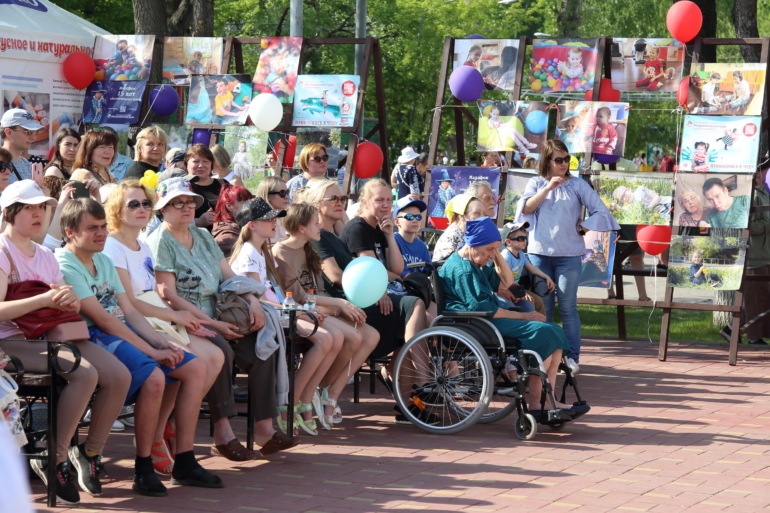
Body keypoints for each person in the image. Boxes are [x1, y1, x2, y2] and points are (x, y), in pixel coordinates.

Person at [56, 198, 221, 496]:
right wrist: (154, 352)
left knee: (195, 366)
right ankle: (143, 467)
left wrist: (162, 342)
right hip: (92, 336)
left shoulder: (102, 259)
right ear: (70, 232)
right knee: (155, 376)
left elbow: (129, 312)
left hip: (123, 330)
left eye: (103, 226)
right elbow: (104, 320)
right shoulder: (65, 263)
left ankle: (184, 460)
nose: (101, 233)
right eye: (91, 228)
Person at [0, 181, 130, 505]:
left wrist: (69, 300)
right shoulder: (2, 252)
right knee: (84, 373)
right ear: (9, 212)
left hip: (52, 336)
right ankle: (53, 456)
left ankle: (89, 453)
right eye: (28, 208)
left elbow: (63, 299)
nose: (37, 213)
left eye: (41, 207)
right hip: (12, 341)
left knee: (119, 375)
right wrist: (45, 298)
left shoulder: (45, 254)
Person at [148, 178, 288, 461]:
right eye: (177, 203)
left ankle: (264, 428)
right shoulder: (160, 240)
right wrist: (213, 324)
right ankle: (222, 433)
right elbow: (168, 295)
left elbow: (229, 276)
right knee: (222, 349)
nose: (186, 208)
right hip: (185, 320)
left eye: (189, 202)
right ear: (163, 208)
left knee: (263, 344)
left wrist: (252, 300)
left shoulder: (200, 235)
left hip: (221, 311)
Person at [103, 181, 227, 472]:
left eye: (146, 203)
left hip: (156, 317)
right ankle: (159, 436)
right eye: (133, 204)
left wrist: (184, 317)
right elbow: (128, 303)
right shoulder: (112, 245)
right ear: (117, 211)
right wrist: (178, 317)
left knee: (215, 356)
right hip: (135, 322)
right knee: (196, 362)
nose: (142, 209)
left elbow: (156, 292)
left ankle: (163, 428)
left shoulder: (142, 243)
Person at [305, 179, 434, 425]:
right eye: (333, 199)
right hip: (345, 303)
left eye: (341, 198)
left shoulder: (336, 234)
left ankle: (410, 404)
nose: (339, 203)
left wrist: (389, 236)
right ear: (315, 204)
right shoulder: (322, 235)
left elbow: (392, 269)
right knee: (414, 307)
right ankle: (422, 383)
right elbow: (336, 276)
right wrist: (377, 289)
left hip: (358, 299)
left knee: (413, 324)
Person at [231, 198, 344, 434]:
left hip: (279, 312)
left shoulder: (262, 251)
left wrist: (303, 310)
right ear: (251, 225)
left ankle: (301, 398)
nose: (274, 222)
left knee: (331, 337)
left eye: (275, 218)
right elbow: (255, 298)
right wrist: (299, 311)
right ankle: (290, 404)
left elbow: (274, 294)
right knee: (324, 338)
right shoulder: (249, 253)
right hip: (266, 319)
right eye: (268, 219)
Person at [438, 217, 571, 411]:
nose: (492, 255)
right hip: (479, 324)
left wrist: (495, 252)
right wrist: (525, 316)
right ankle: (536, 403)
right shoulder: (464, 270)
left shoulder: (475, 264)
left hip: (485, 320)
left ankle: (545, 400)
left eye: (495, 249)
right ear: (473, 244)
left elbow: (507, 282)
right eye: (489, 249)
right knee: (545, 332)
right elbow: (483, 310)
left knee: (552, 331)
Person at [516, 140, 620, 373]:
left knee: (568, 308)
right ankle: (546, 355)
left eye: (567, 159)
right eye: (558, 160)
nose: (564, 164)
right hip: (539, 254)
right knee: (545, 308)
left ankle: (572, 357)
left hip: (570, 255)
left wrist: (583, 227)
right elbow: (526, 209)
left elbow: (601, 211)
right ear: (547, 161)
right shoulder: (536, 182)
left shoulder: (578, 184)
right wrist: (547, 188)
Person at [738, 164, 770, 344]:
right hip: (753, 255)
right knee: (755, 299)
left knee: (762, 297)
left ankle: (731, 329)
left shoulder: (763, 192)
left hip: (763, 253)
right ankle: (754, 337)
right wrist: (768, 225)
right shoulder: (752, 195)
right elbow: (747, 224)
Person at [500, 222, 551, 315]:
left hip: (517, 289)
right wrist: (522, 292)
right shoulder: (506, 256)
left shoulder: (521, 254)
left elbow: (532, 268)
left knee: (539, 301)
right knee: (530, 303)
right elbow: (503, 278)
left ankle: (542, 325)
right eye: (520, 238)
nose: (525, 241)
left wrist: (547, 277)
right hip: (506, 290)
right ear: (508, 241)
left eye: (525, 237)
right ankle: (531, 325)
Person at [184, 144, 228, 229]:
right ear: (186, 163)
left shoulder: (223, 184)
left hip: (224, 237)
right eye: (196, 161)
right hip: (194, 239)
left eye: (205, 161)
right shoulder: (182, 186)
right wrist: (198, 221)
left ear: (211, 165)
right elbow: (173, 218)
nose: (201, 165)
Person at [432, 194, 485, 261]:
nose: (483, 217)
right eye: (477, 213)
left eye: (483, 213)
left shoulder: (471, 233)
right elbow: (449, 265)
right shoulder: (451, 235)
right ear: (462, 216)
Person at [1, 108, 44, 184]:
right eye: (28, 132)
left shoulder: (27, 164)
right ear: (9, 132)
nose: (33, 137)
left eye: (35, 132)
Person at [212, 184, 254, 258]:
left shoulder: (242, 226)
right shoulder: (226, 237)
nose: (250, 206)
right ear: (229, 206)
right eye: (244, 203)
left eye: (250, 202)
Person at [393, 197, 431, 275]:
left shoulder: (421, 246)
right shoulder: (392, 241)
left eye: (418, 217)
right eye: (409, 217)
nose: (415, 220)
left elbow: (429, 272)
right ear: (397, 221)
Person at [256, 175, 290, 243]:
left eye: (287, 192)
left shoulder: (287, 215)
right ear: (268, 196)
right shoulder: (263, 222)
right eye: (282, 193)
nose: (287, 197)